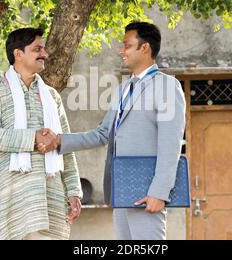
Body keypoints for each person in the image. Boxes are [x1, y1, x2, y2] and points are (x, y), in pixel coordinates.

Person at [42, 22, 186, 240]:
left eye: (127, 46)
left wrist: (159, 192)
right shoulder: (124, 88)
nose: (121, 51)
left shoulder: (166, 86)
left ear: (145, 48)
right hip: (121, 189)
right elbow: (103, 133)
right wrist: (59, 140)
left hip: (148, 191)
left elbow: (171, 145)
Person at [0, 28, 82, 240]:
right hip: (13, 198)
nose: (44, 54)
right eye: (37, 49)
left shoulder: (51, 96)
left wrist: (73, 191)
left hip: (50, 198)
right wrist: (33, 138)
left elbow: (65, 145)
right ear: (18, 54)